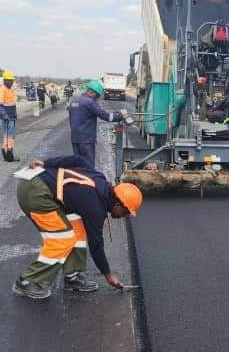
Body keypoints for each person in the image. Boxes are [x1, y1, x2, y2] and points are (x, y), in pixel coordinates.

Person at [12, 154, 143, 301]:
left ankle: (72, 276)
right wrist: (108, 274)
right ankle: (28, 281)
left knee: (77, 227)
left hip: (41, 186)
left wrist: (46, 163)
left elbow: (77, 159)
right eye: (125, 212)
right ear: (118, 204)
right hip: (35, 193)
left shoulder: (100, 180)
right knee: (62, 239)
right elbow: (96, 244)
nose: (124, 216)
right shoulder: (95, 208)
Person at [68, 79, 125, 168]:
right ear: (93, 92)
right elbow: (105, 116)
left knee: (78, 164)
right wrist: (119, 116)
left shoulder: (74, 101)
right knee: (88, 165)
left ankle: (78, 181)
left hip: (75, 138)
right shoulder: (90, 102)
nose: (97, 99)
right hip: (86, 140)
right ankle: (89, 181)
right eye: (97, 96)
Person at [0, 70, 18, 161]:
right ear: (5, 80)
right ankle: (9, 155)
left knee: (9, 136)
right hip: (8, 117)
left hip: (11, 116)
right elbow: (0, 105)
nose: (11, 82)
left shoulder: (8, 89)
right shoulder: (3, 89)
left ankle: (8, 155)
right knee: (9, 136)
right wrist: (5, 116)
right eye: (9, 80)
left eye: (12, 80)